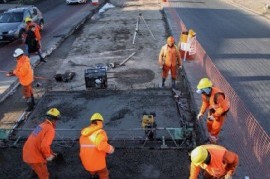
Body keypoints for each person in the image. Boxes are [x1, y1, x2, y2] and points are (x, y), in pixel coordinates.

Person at [23, 108, 61, 179]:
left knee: (36, 168)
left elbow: (37, 140)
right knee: (44, 175)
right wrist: (48, 156)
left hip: (26, 152)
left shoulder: (41, 125)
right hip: (34, 157)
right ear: (55, 119)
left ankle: (35, 173)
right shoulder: (50, 129)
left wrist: (51, 153)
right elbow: (44, 145)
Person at [80, 113, 114, 179]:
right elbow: (101, 146)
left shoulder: (83, 135)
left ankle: (93, 175)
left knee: (92, 170)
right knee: (104, 173)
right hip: (97, 163)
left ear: (92, 122)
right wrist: (111, 149)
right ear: (100, 122)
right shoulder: (99, 133)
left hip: (86, 163)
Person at [196, 78, 230, 143]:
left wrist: (214, 116)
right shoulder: (205, 94)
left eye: (202, 91)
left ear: (207, 89)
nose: (202, 93)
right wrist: (201, 112)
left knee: (215, 127)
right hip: (213, 108)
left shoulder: (218, 96)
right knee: (209, 122)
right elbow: (205, 103)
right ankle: (210, 135)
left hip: (221, 111)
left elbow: (221, 109)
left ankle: (213, 140)